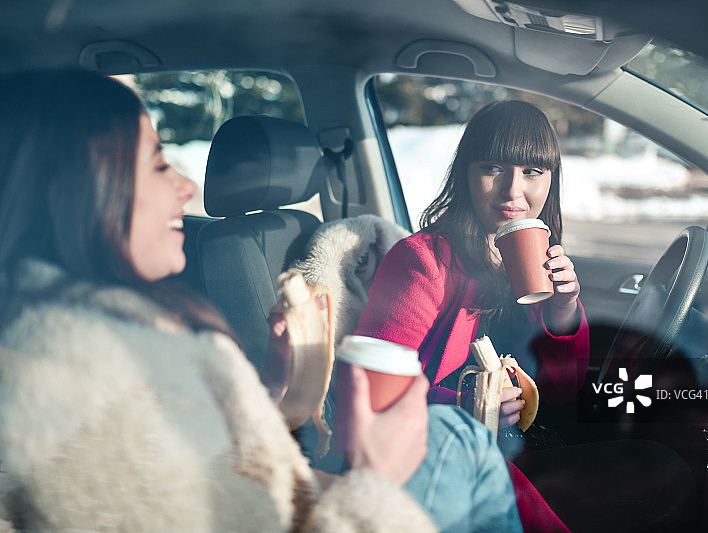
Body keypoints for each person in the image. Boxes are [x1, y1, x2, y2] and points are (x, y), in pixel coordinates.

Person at [0, 69, 521, 533]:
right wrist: (374, 481)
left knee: (461, 438)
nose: (186, 185)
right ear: (77, 192)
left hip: (286, 491)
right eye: (158, 165)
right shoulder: (67, 375)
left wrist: (273, 388)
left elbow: (200, 464)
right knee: (461, 438)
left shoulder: (120, 324)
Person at [356, 100, 590, 430]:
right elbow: (372, 386)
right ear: (465, 174)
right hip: (439, 440)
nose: (513, 190)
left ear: (551, 180)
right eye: (492, 168)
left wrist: (564, 309)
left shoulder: (540, 262)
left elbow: (563, 389)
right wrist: (468, 407)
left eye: (532, 172)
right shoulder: (421, 261)